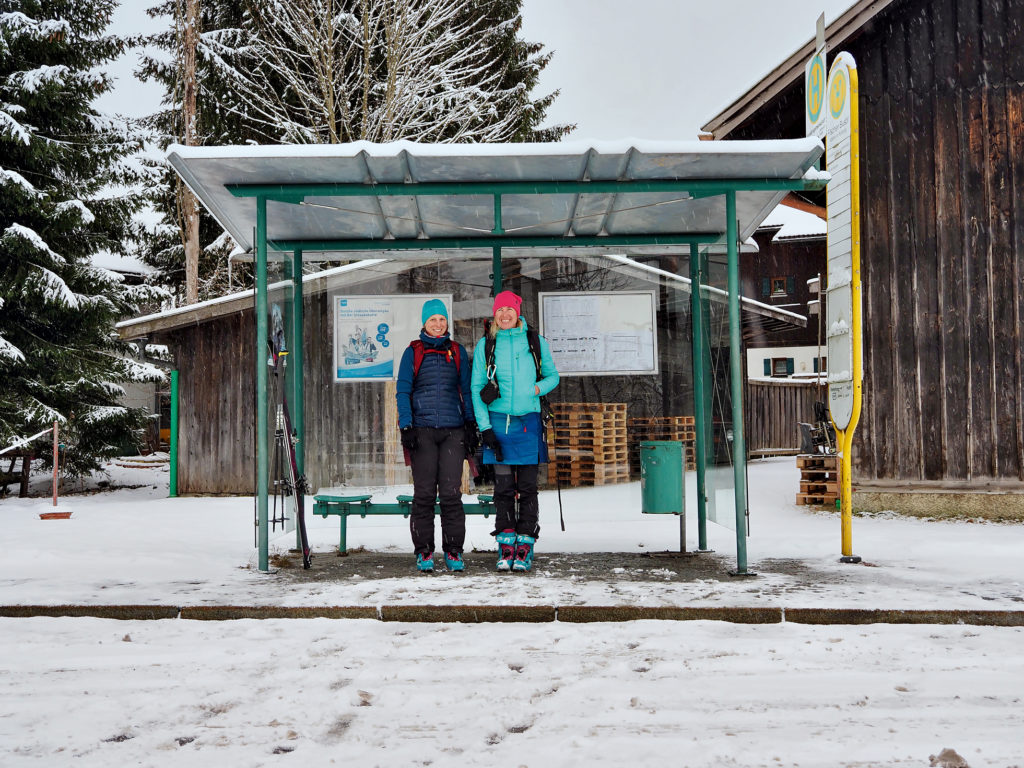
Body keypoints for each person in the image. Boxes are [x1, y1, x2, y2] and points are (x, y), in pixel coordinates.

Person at [470, 290, 559, 572]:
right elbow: (475, 388)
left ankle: (525, 546)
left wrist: (536, 389)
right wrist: (485, 430)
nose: (505, 315)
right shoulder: (487, 345)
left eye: (510, 310)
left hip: (528, 423)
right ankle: (506, 545)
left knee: (529, 488)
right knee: (504, 489)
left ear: (517, 313)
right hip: (498, 424)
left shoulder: (535, 342)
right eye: (500, 311)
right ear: (494, 315)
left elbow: (553, 376)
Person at [395, 299, 477, 572]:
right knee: (425, 494)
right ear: (424, 323)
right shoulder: (413, 352)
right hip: (423, 432)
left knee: (452, 494)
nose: (438, 324)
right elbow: (403, 391)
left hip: (453, 432)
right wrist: (406, 426)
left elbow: (466, 390)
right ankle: (424, 552)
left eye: (442, 319)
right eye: (433, 320)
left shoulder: (456, 351)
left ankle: (453, 551)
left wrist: (470, 424)